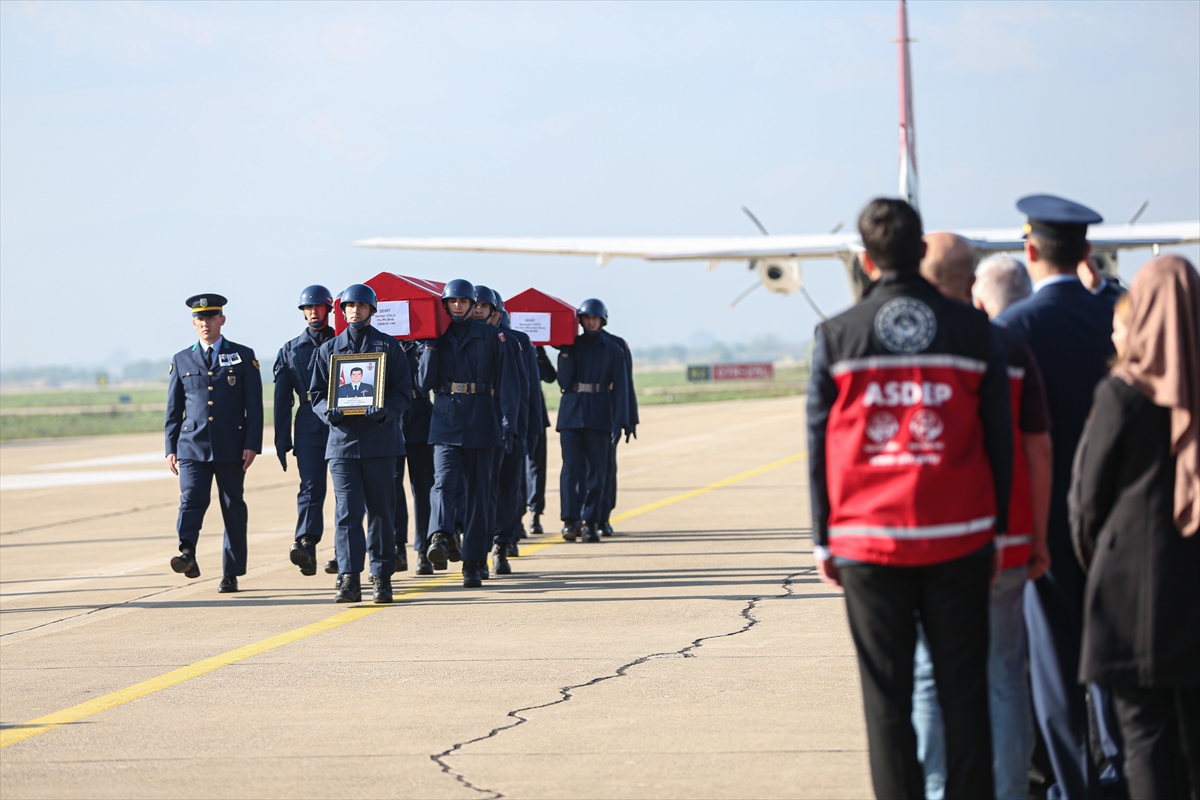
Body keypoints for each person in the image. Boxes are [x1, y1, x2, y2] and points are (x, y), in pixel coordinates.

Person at [808, 199, 1012, 799]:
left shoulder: (836, 335)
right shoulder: (975, 331)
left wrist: (825, 538)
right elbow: (998, 439)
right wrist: (996, 529)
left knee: (886, 701)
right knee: (964, 691)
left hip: (869, 545)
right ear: (922, 252)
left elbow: (819, 444)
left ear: (866, 259)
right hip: (960, 535)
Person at [911, 236, 1053, 800]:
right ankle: (1011, 791)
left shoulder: (909, 345)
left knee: (928, 675)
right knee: (1004, 677)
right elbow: (1037, 446)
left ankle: (939, 789)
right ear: (971, 281)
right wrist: (1038, 536)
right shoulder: (1007, 345)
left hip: (934, 537)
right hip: (1006, 533)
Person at [995, 194, 1122, 800]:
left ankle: (1072, 786)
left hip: (1045, 519)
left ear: (1030, 250)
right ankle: (1122, 770)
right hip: (1117, 518)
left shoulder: (1013, 329)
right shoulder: (1118, 318)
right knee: (1116, 652)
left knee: (1051, 664)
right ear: (1087, 252)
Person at [1070, 255, 1200, 800]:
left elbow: (1085, 506)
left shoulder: (1121, 394)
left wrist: (1099, 566)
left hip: (1131, 598)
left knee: (1144, 742)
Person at [310, 284, 411, 604]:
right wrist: (330, 413)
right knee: (347, 513)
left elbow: (403, 393)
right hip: (342, 446)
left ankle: (381, 578)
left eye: (362, 306)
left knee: (382, 512)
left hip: (381, 443)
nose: (355, 311)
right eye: (350, 306)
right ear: (342, 311)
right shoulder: (328, 350)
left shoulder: (390, 347)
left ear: (372, 310)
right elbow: (315, 395)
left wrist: (386, 411)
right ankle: (349, 578)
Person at [419, 279, 519, 588]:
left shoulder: (493, 337)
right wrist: (430, 346)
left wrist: (508, 423)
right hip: (446, 418)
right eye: (454, 302)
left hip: (482, 419)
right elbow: (423, 383)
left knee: (479, 497)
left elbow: (509, 384)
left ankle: (474, 562)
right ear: (445, 305)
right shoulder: (438, 338)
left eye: (466, 302)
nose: (460, 306)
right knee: (443, 483)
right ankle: (440, 534)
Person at [165, 294, 263, 594]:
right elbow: (173, 409)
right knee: (192, 499)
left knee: (232, 506)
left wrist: (252, 444)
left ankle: (231, 571)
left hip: (232, 445)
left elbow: (255, 407)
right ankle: (187, 553)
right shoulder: (182, 359)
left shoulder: (244, 356)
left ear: (222, 319)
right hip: (192, 445)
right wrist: (170, 448)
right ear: (194, 323)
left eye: (211, 317)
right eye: (200, 318)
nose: (205, 323)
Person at [274, 284, 336, 578]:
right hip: (308, 425)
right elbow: (282, 399)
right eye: (308, 308)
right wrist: (281, 440)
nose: (313, 312)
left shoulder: (344, 342)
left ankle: (343, 550)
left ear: (328, 309)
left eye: (318, 307)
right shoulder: (290, 349)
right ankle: (306, 543)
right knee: (311, 488)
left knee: (345, 492)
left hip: (342, 424)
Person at [556, 299, 629, 544]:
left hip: (599, 412)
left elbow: (621, 388)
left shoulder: (613, 349)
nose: (590, 322)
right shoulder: (571, 347)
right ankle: (570, 520)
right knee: (571, 469)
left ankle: (591, 522)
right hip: (572, 412)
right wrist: (564, 354)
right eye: (586, 318)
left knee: (598, 472)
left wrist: (621, 421)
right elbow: (564, 383)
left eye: (595, 318)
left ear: (602, 320)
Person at [497, 302, 542, 560]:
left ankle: (508, 536)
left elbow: (529, 390)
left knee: (510, 485)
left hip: (514, 424)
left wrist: (531, 429)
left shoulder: (518, 341)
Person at [396, 336, 435, 575]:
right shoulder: (383, 344)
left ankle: (424, 549)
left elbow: (425, 382)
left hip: (420, 414)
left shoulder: (422, 346)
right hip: (391, 418)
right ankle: (397, 546)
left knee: (423, 488)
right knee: (392, 488)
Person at [599, 321, 638, 537]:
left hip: (609, 415)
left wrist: (627, 418)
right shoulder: (575, 345)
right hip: (583, 415)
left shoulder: (617, 346)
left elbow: (625, 386)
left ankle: (603, 515)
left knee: (606, 468)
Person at [526, 344, 557, 535]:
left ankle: (535, 513)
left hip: (534, 413)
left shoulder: (535, 349)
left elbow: (549, 377)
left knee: (537, 466)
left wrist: (539, 350)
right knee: (514, 470)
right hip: (510, 414)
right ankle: (515, 517)